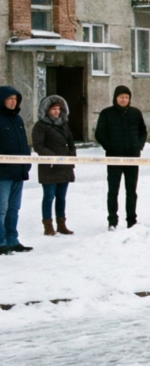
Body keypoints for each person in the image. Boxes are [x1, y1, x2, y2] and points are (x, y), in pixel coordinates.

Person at [95, 85, 148, 230]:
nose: (124, 100)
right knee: (113, 190)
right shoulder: (107, 113)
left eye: (126, 97)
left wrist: (139, 145)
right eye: (121, 97)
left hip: (132, 157)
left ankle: (131, 220)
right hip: (114, 158)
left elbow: (143, 131)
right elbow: (99, 133)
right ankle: (112, 220)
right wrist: (109, 146)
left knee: (131, 191)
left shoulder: (135, 113)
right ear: (115, 98)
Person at [32, 95, 76, 236]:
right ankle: (48, 225)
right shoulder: (40, 126)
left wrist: (71, 158)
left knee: (61, 197)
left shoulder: (64, 124)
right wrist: (53, 158)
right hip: (49, 167)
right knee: (49, 196)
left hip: (64, 167)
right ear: (47, 110)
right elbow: (38, 146)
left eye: (58, 109)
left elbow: (71, 142)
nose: (56, 111)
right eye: (53, 109)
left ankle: (61, 224)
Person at [0, 86, 32, 254]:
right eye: (10, 98)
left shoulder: (18, 120)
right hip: (2, 173)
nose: (13, 102)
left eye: (15, 99)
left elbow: (24, 144)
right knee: (1, 208)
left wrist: (26, 162)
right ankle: (1, 242)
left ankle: (12, 240)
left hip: (18, 172)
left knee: (14, 208)